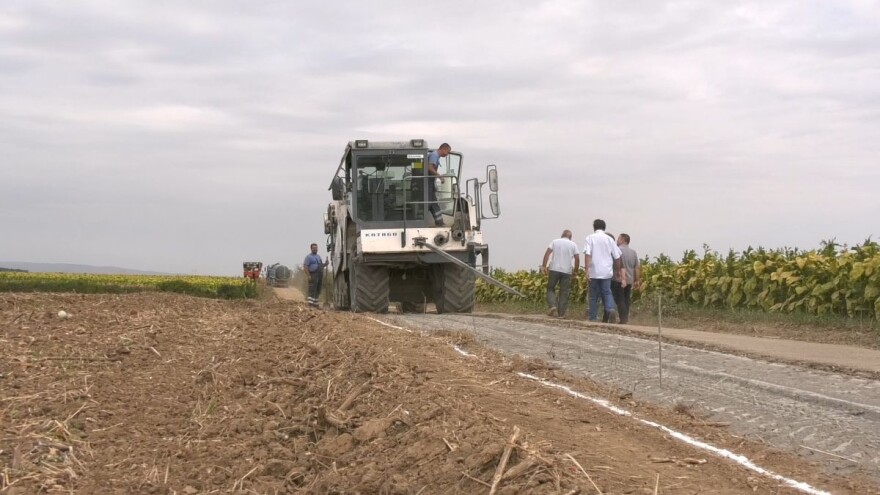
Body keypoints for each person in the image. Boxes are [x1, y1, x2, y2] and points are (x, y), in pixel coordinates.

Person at [583, 219, 623, 323]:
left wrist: (586, 270)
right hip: (606, 271)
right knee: (607, 292)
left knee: (593, 295)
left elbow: (588, 254)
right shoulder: (609, 239)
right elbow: (617, 256)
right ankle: (610, 310)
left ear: (594, 227)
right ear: (604, 228)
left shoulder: (589, 238)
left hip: (594, 271)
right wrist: (618, 270)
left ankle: (593, 317)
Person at [541, 229, 580, 318]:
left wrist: (544, 266)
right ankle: (561, 314)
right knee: (564, 292)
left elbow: (547, 253)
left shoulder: (555, 242)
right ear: (570, 237)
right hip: (567, 271)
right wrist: (576, 271)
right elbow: (577, 258)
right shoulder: (573, 244)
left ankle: (553, 306)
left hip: (554, 269)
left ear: (562, 235)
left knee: (550, 288)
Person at [616, 233, 641, 324]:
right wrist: (637, 280)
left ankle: (623, 319)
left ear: (622, 240)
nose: (617, 240)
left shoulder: (617, 250)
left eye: (618, 239)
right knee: (626, 298)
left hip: (620, 279)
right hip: (630, 280)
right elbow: (636, 267)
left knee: (620, 299)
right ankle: (625, 318)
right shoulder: (633, 252)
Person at [425, 143, 451, 227]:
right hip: (426, 182)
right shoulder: (434, 155)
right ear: (443, 149)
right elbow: (430, 168)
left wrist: (434, 186)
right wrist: (440, 177)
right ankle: (423, 222)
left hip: (430, 182)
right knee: (428, 202)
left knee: (434, 203)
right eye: (448, 152)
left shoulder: (435, 156)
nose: (447, 154)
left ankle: (439, 222)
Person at [303, 243, 327, 307]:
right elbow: (305, 267)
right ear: (311, 249)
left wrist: (325, 264)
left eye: (316, 248)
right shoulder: (308, 257)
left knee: (318, 289)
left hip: (319, 274)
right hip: (313, 274)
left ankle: (315, 303)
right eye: (314, 248)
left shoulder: (318, 256)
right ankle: (310, 304)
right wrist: (308, 275)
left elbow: (321, 265)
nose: (315, 249)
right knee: (312, 288)